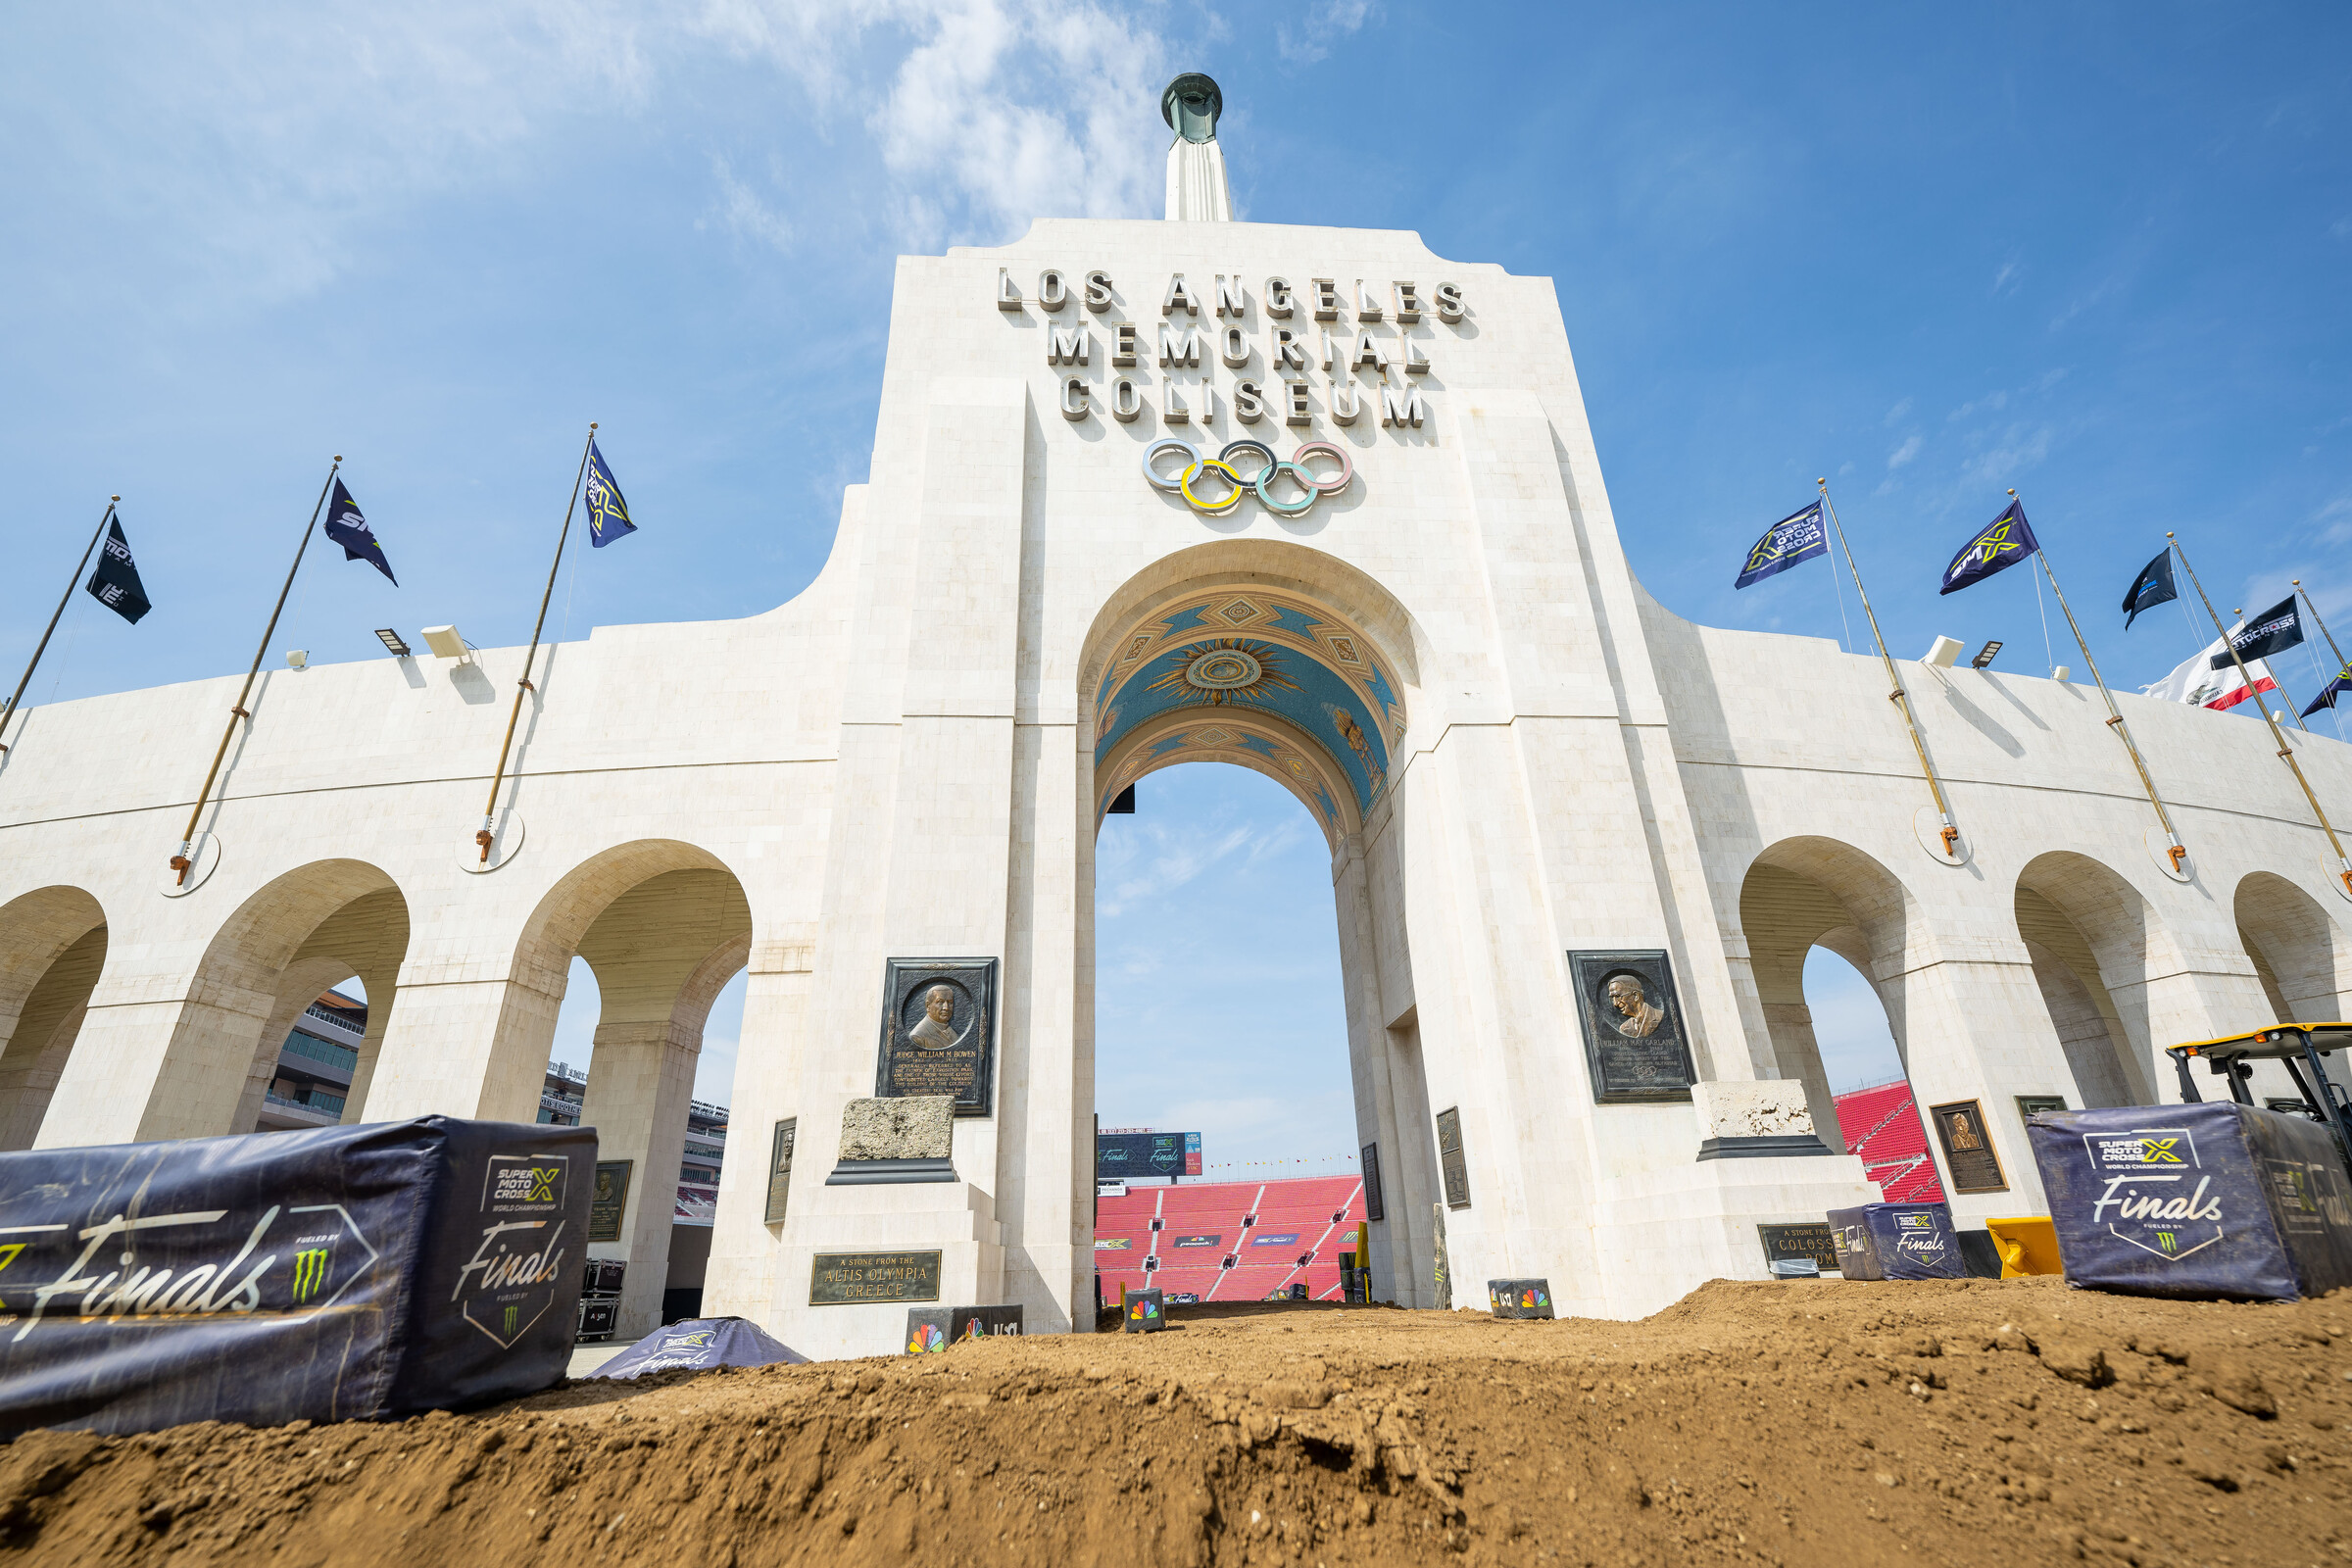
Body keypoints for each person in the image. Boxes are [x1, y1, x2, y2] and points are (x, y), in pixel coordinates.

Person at [1605, 973, 1666, 1038]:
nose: (1615, 1004)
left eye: (1618, 996)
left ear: (1636, 996)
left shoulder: (1660, 1016)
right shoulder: (1624, 1028)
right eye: (1612, 998)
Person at [908, 984, 959, 1051]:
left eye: (950, 1002)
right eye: (940, 1002)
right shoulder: (917, 1037)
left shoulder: (952, 1032)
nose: (946, 1008)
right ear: (928, 1006)